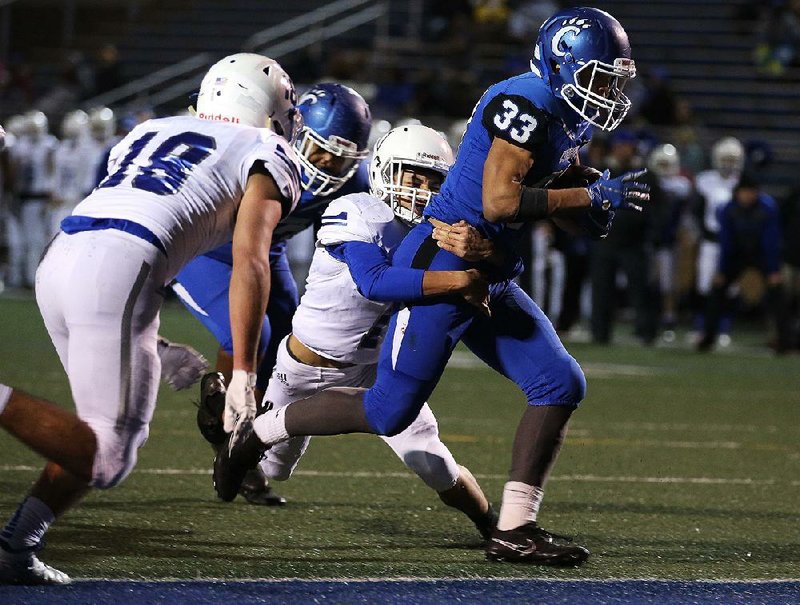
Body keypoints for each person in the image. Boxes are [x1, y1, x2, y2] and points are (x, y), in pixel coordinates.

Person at [217, 6, 649, 566]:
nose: (609, 91)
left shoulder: (571, 115)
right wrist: (585, 197)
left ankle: (514, 528)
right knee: (391, 411)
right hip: (445, 255)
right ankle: (263, 430)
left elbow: (540, 192)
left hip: (489, 262)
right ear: (564, 64)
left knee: (559, 383)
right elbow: (500, 201)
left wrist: (582, 197)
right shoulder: (524, 102)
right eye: (600, 76)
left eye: (615, 78)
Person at [0, 52, 303, 584]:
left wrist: (154, 345)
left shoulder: (151, 130)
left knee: (102, 434)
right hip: (119, 266)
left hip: (66, 255)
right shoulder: (268, 148)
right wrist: (245, 374)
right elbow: (250, 257)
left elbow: (141, 213)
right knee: (109, 454)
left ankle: (15, 547)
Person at [212, 124, 499, 539]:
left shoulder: (442, 231)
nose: (421, 189)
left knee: (433, 462)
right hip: (305, 366)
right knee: (276, 469)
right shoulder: (357, 210)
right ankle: (221, 424)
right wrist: (459, 282)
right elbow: (374, 280)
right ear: (385, 171)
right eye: (411, 176)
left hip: (377, 372)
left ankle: (494, 526)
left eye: (432, 181)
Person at [172, 82, 372, 505]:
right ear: (295, 133)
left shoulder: (351, 180)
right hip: (204, 250)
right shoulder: (262, 151)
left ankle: (245, 441)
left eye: (341, 157)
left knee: (288, 339)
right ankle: (225, 426)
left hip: (267, 251)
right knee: (248, 334)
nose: (327, 164)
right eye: (319, 150)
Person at [697, 173, 789, 353]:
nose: (748, 196)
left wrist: (773, 270)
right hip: (736, 255)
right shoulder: (728, 209)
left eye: (751, 192)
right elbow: (727, 241)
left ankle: (786, 341)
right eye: (745, 192)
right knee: (717, 291)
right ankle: (708, 337)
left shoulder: (767, 208)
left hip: (761, 254)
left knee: (777, 294)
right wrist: (722, 270)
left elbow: (770, 241)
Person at [693, 136, 745, 345]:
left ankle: (723, 327)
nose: (728, 163)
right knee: (705, 284)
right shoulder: (705, 180)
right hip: (710, 240)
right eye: (725, 158)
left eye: (733, 159)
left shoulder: (741, 184)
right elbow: (697, 211)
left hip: (731, 243)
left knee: (730, 287)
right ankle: (701, 327)